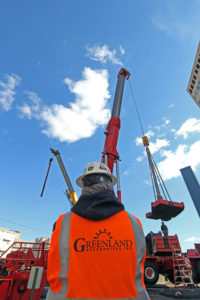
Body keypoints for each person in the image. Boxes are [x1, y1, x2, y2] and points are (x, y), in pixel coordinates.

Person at [46, 162, 150, 300]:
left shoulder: (63, 223)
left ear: (84, 186)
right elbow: (139, 268)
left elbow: (54, 270)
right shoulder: (134, 223)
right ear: (110, 184)